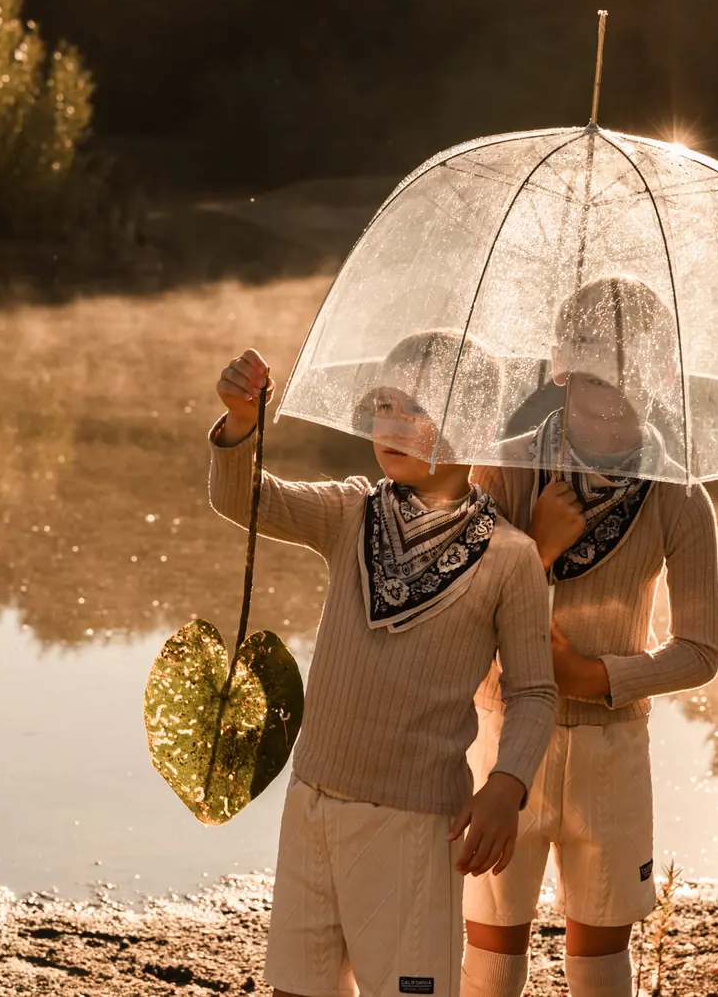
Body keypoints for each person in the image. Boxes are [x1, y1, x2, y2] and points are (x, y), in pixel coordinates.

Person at [210, 336, 556, 997]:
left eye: (418, 408)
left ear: (475, 425)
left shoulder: (510, 558)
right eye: (385, 402)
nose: (391, 422)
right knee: (296, 989)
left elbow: (534, 692)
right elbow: (244, 501)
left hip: (416, 824)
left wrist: (506, 787)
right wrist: (241, 425)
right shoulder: (350, 511)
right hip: (313, 801)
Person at [459, 274, 718, 997]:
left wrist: (598, 677)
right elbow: (460, 612)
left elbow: (701, 650)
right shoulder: (504, 466)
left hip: (612, 750)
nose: (610, 400)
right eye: (594, 379)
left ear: (663, 374)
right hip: (505, 735)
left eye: (631, 379)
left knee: (602, 974)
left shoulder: (680, 496)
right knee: (489, 964)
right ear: (560, 369)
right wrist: (535, 551)